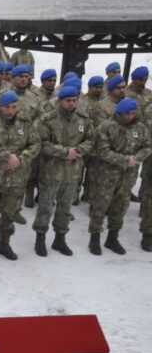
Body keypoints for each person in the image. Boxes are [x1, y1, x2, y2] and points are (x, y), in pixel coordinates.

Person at [0, 91, 39, 261]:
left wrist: (20, 159)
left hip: (16, 177)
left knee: (10, 212)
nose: (10, 111)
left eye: (13, 107)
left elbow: (35, 144)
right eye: (7, 107)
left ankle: (4, 244)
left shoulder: (25, 123)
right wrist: (5, 155)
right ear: (0, 107)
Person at [31, 86, 94, 256]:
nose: (72, 103)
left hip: (73, 172)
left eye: (74, 100)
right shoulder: (48, 120)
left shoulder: (83, 119)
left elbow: (90, 139)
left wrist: (79, 151)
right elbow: (41, 143)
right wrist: (65, 152)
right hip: (51, 171)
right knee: (45, 206)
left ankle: (60, 239)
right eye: (68, 100)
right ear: (59, 101)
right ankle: (40, 238)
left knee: (65, 208)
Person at [88, 98, 151, 255]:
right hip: (106, 175)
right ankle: (94, 238)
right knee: (100, 206)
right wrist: (125, 160)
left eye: (133, 113)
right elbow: (102, 151)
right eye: (126, 114)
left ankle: (112, 238)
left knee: (121, 206)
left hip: (128, 177)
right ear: (119, 113)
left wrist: (138, 158)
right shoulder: (107, 127)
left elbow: (147, 146)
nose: (129, 117)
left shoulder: (141, 128)